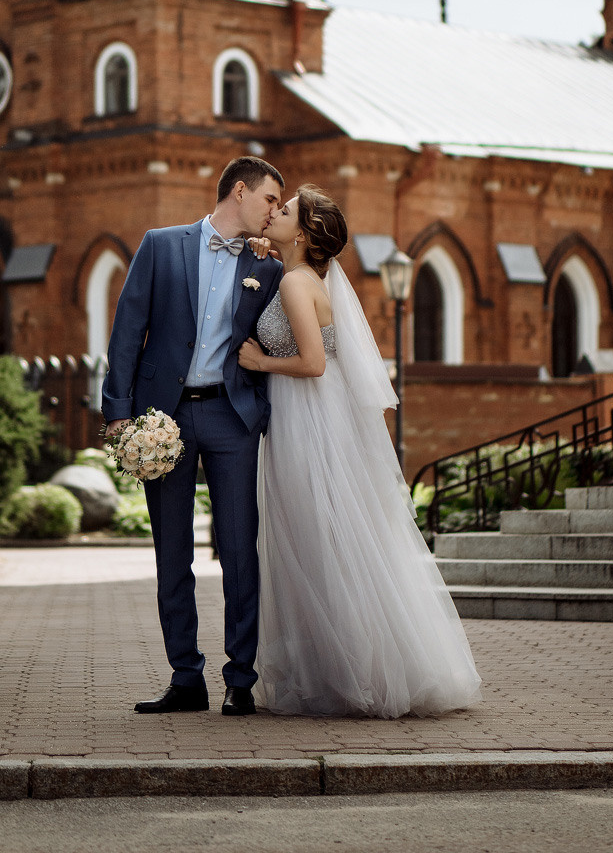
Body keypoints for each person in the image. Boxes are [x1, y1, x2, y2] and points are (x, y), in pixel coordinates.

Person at [238, 185, 482, 717]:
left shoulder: (299, 285)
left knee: (318, 542)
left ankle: (352, 671)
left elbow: (312, 363)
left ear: (302, 234)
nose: (273, 213)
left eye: (284, 211)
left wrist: (259, 364)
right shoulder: (297, 275)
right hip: (307, 417)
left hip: (306, 419)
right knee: (321, 541)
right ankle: (340, 665)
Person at [102, 155, 284, 716]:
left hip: (232, 419)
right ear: (239, 191)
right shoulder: (161, 245)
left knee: (239, 549)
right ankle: (186, 677)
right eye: (270, 200)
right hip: (166, 418)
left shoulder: (268, 267)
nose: (275, 211)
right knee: (171, 551)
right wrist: (118, 411)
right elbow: (129, 328)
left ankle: (239, 679)